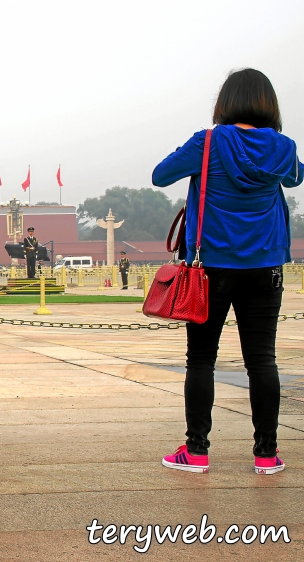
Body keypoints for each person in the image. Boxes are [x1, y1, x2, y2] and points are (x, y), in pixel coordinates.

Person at [152, 68, 302, 475]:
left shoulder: (208, 142)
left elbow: (160, 175)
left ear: (225, 102)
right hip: (265, 266)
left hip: (208, 268)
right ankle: (266, 455)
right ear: (269, 103)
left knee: (201, 360)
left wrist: (201, 163)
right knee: (262, 361)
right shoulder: (283, 147)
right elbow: (296, 176)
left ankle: (196, 451)